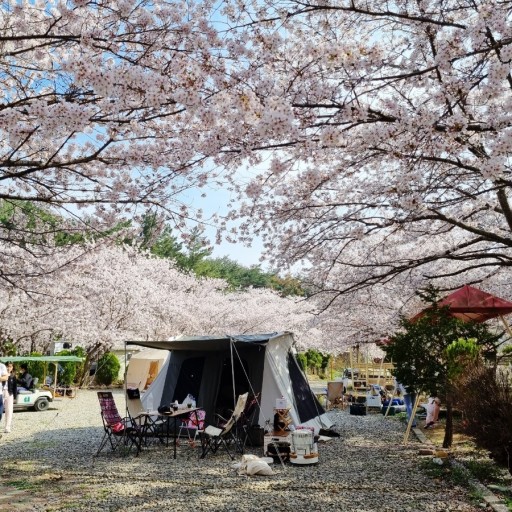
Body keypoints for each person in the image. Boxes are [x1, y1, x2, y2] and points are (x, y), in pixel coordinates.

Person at [3, 361, 17, 433]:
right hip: (1, 392)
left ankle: (7, 427)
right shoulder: (2, 374)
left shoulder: (13, 376)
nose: (9, 368)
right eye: (8, 366)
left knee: (9, 411)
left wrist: (15, 396)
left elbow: (15, 387)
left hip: (10, 393)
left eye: (11, 366)